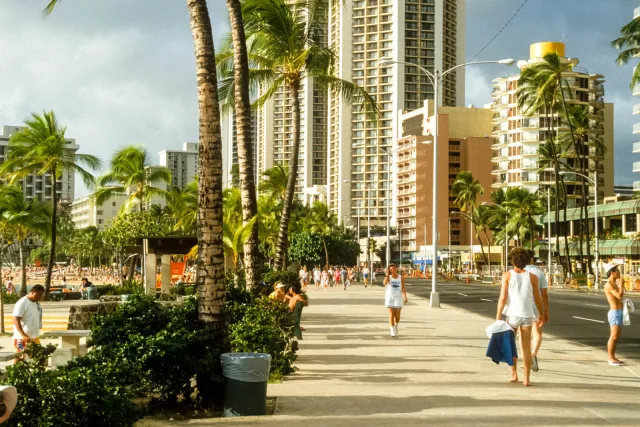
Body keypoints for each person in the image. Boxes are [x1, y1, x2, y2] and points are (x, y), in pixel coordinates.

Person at [496, 247, 544, 387]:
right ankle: (527, 379)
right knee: (526, 348)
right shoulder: (532, 277)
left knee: (511, 346)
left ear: (513, 260)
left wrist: (499, 316)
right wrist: (540, 314)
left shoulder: (507, 275)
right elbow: (538, 298)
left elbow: (503, 297)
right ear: (527, 261)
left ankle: (514, 374)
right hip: (528, 315)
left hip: (512, 315)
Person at [525, 250, 549, 372]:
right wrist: (545, 311)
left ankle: (526, 358)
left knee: (524, 334)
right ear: (532, 259)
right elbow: (544, 294)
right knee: (537, 332)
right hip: (536, 306)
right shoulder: (539, 272)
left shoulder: (520, 272)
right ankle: (533, 354)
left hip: (523, 306)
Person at [12, 284, 44, 361]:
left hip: (34, 336)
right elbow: (16, 319)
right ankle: (15, 372)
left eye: (41, 295)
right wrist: (23, 335)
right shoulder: (22, 303)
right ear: (33, 292)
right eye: (39, 295)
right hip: (21, 338)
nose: (40, 297)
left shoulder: (37, 303)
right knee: (20, 357)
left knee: (38, 356)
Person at [604, 264, 625, 366]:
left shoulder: (614, 284)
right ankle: (610, 358)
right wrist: (621, 284)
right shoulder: (609, 284)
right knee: (614, 336)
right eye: (618, 271)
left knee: (617, 336)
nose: (619, 273)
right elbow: (619, 296)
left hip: (619, 312)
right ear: (613, 273)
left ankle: (613, 356)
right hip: (614, 312)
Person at [384, 264, 408, 337]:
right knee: (391, 314)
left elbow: (403, 287)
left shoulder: (401, 277)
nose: (392, 270)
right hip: (389, 298)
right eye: (390, 269)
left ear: (396, 269)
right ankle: (392, 330)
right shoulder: (389, 277)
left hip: (398, 298)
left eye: (393, 269)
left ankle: (396, 324)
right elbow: (384, 283)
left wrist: (405, 296)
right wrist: (387, 275)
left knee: (397, 317)